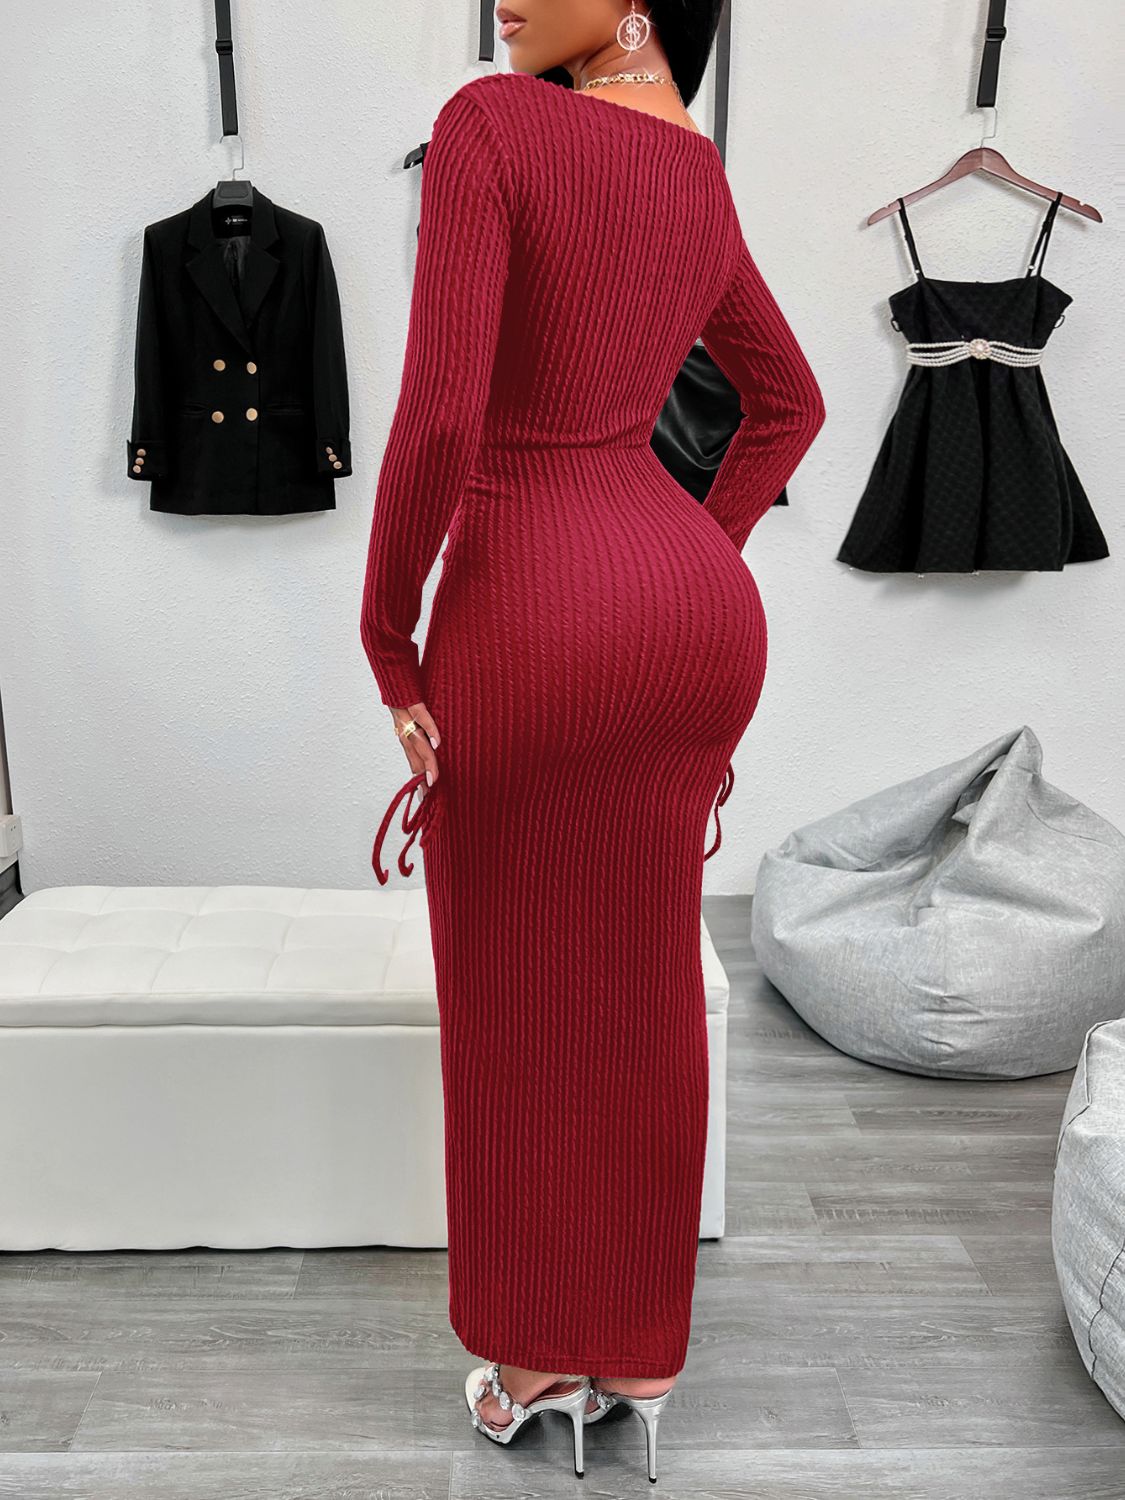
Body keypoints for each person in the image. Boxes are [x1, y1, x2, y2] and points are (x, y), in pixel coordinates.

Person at [360, 0, 825, 1478]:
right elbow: (788, 407)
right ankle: (642, 1356)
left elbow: (440, 419)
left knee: (513, 995)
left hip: (528, 605)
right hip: (689, 619)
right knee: (644, 979)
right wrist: (684, 554)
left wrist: (387, 637)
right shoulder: (695, 174)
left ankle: (534, 1359)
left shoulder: (492, 125)